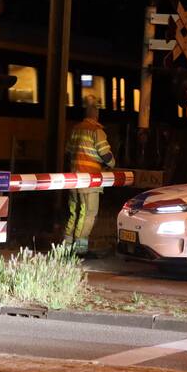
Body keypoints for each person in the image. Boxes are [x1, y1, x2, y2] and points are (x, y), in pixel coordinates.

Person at [64, 95, 115, 256]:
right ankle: (79, 250)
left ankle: (66, 247)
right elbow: (105, 155)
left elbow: (69, 152)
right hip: (90, 180)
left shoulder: (76, 129)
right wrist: (112, 163)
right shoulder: (96, 131)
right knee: (88, 213)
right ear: (96, 112)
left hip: (74, 180)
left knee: (75, 212)